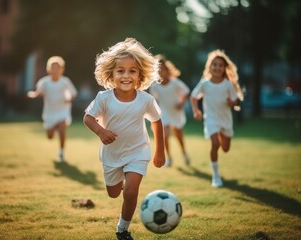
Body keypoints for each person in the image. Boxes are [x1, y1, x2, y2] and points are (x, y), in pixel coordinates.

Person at [83, 38, 165, 240]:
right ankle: (120, 181)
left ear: (140, 75)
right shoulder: (104, 98)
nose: (126, 75)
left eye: (132, 71)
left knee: (130, 192)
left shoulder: (146, 100)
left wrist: (160, 150)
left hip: (138, 152)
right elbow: (88, 118)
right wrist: (101, 132)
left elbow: (157, 121)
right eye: (120, 71)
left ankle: (122, 230)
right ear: (111, 74)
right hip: (112, 155)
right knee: (113, 193)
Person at [190, 49, 243, 188]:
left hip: (225, 120)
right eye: (214, 64)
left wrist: (233, 103)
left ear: (224, 68)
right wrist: (196, 111)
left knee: (225, 148)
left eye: (220, 65)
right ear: (210, 67)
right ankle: (216, 176)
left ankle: (220, 133)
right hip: (211, 119)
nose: (217, 67)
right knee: (215, 144)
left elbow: (236, 100)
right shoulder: (205, 84)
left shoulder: (227, 84)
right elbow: (194, 97)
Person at [27, 56, 77, 162]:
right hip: (49, 113)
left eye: (57, 68)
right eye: (52, 68)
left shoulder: (65, 81)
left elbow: (72, 93)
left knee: (62, 127)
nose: (55, 70)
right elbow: (37, 93)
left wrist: (69, 98)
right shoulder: (44, 82)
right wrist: (33, 95)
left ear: (61, 70)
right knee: (50, 136)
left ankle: (61, 153)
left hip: (63, 111)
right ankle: (55, 127)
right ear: (48, 69)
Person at [149, 55, 191, 167]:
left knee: (178, 135)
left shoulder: (175, 82)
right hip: (164, 113)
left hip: (176, 112)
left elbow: (186, 92)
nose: (160, 72)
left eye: (162, 69)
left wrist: (182, 103)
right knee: (165, 135)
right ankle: (169, 157)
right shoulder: (155, 87)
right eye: (158, 70)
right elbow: (154, 101)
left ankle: (184, 153)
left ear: (167, 70)